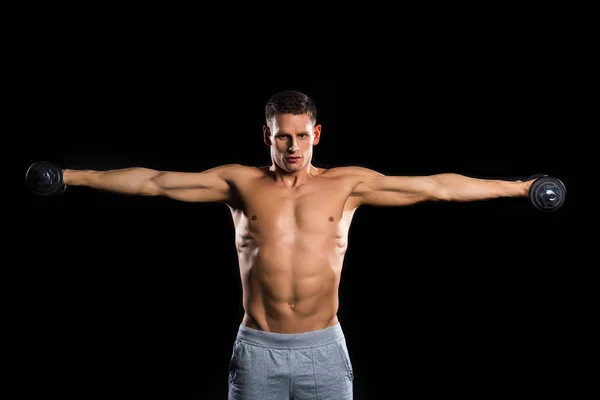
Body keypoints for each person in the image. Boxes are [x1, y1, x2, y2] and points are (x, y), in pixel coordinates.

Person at [56, 90, 538, 399]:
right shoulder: (238, 184)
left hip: (324, 351)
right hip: (258, 351)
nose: (293, 148)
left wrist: (520, 187)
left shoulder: (348, 185)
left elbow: (438, 187)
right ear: (266, 135)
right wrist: (69, 177)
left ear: (317, 134)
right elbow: (155, 182)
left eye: (302, 137)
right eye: (282, 137)